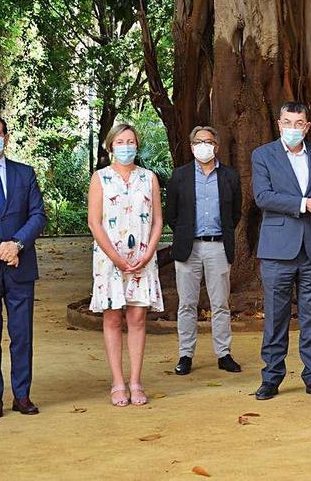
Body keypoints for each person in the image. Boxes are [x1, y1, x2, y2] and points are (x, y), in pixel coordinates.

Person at [252, 101, 311, 400]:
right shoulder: (263, 155)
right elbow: (263, 197)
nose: (292, 128)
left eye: (298, 123)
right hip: (277, 250)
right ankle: (271, 377)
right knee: (276, 316)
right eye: (287, 122)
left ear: (307, 126)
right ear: (278, 124)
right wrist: (304, 204)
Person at [88, 123, 164, 407]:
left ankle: (135, 380)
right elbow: (94, 222)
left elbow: (157, 220)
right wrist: (117, 258)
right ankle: (118, 382)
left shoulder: (149, 178)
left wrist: (149, 252)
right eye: (120, 141)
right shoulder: (101, 178)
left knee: (137, 318)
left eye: (131, 141)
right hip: (109, 261)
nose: (126, 146)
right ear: (111, 147)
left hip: (143, 258)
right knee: (112, 317)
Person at [0, 115, 47, 418]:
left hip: (20, 265)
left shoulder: (24, 174)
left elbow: (38, 216)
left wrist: (16, 245)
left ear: (6, 138)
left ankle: (22, 395)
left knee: (22, 335)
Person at [166, 126, 243, 376]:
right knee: (187, 304)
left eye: (209, 141)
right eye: (199, 141)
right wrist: (186, 233)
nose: (204, 145)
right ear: (191, 147)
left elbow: (235, 213)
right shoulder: (180, 176)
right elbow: (172, 214)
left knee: (220, 303)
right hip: (189, 248)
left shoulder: (230, 176)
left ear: (216, 146)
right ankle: (185, 355)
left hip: (218, 246)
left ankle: (224, 354)